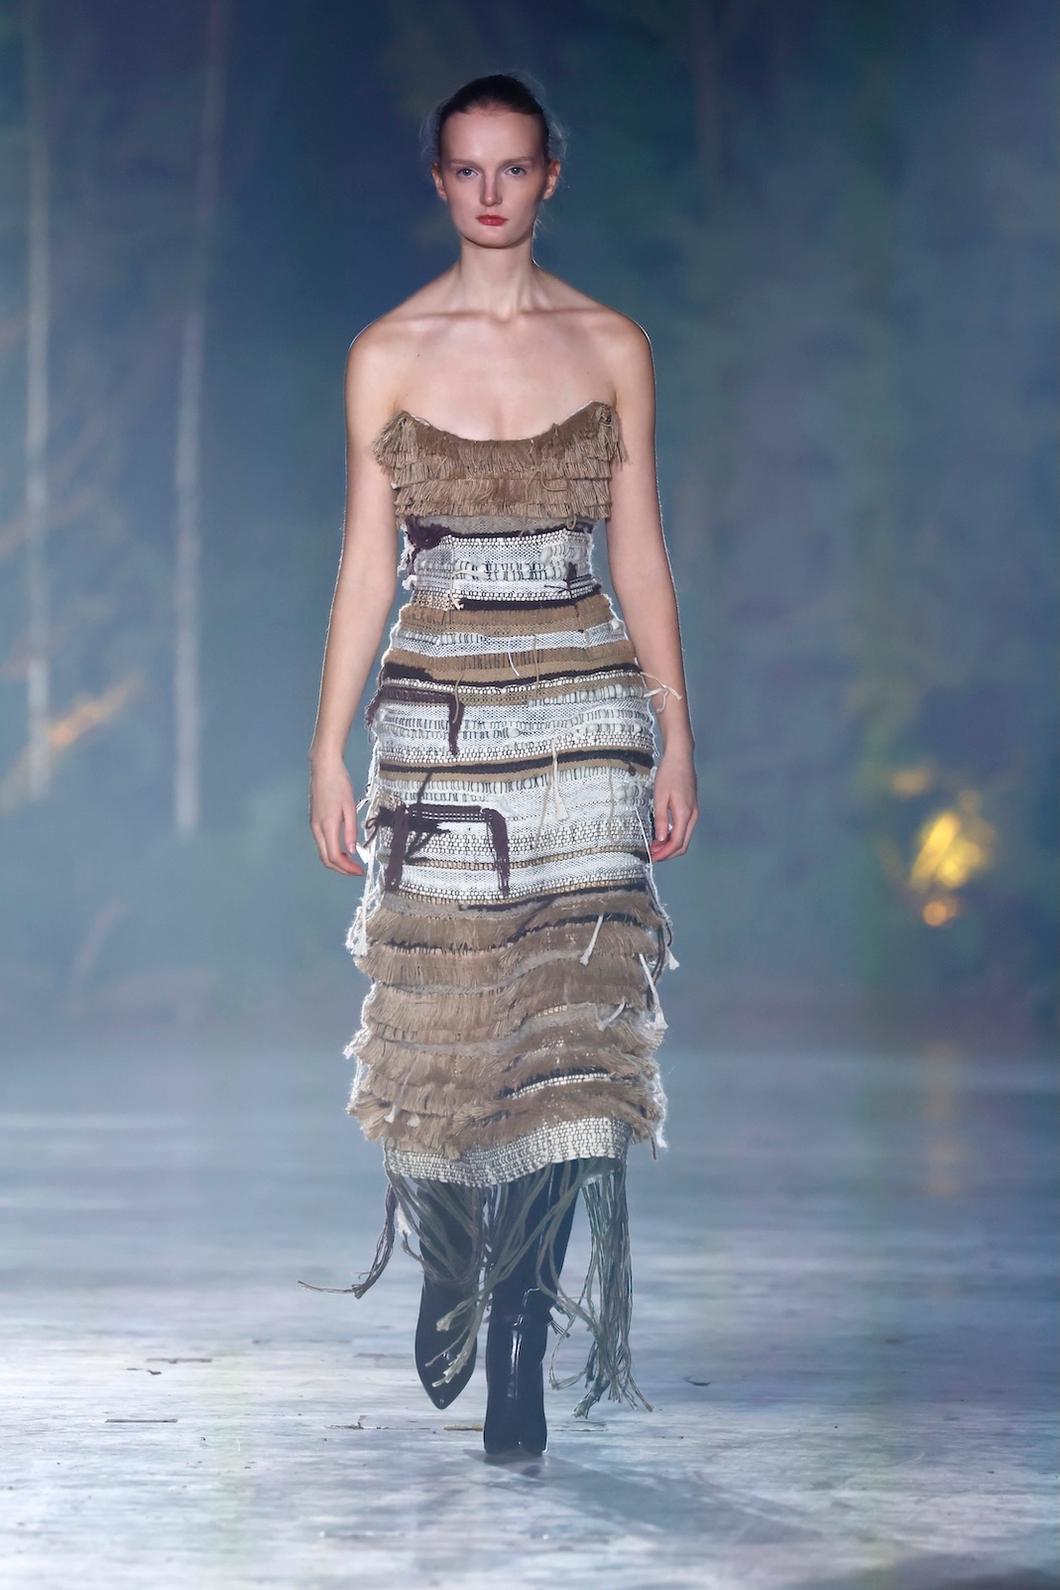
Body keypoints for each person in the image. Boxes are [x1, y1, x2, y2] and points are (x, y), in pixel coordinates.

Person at [305, 71, 697, 1459]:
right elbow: (367, 563)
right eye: (466, 169)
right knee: (447, 1030)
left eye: (512, 168)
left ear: (548, 178)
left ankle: (524, 1331)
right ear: (439, 180)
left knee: (569, 1045)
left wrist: (674, 727)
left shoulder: (611, 345)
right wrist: (329, 745)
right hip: (438, 729)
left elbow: (637, 543)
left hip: (585, 719)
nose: (489, 192)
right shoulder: (387, 354)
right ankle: (452, 1255)